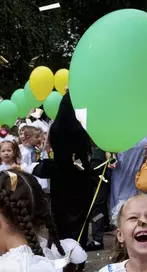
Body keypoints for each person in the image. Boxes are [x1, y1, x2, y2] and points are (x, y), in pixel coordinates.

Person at [29, 94, 94, 260]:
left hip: (60, 176)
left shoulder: (55, 128)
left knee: (60, 216)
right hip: (79, 177)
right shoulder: (81, 128)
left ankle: (60, 251)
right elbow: (84, 153)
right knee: (79, 218)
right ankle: (78, 253)